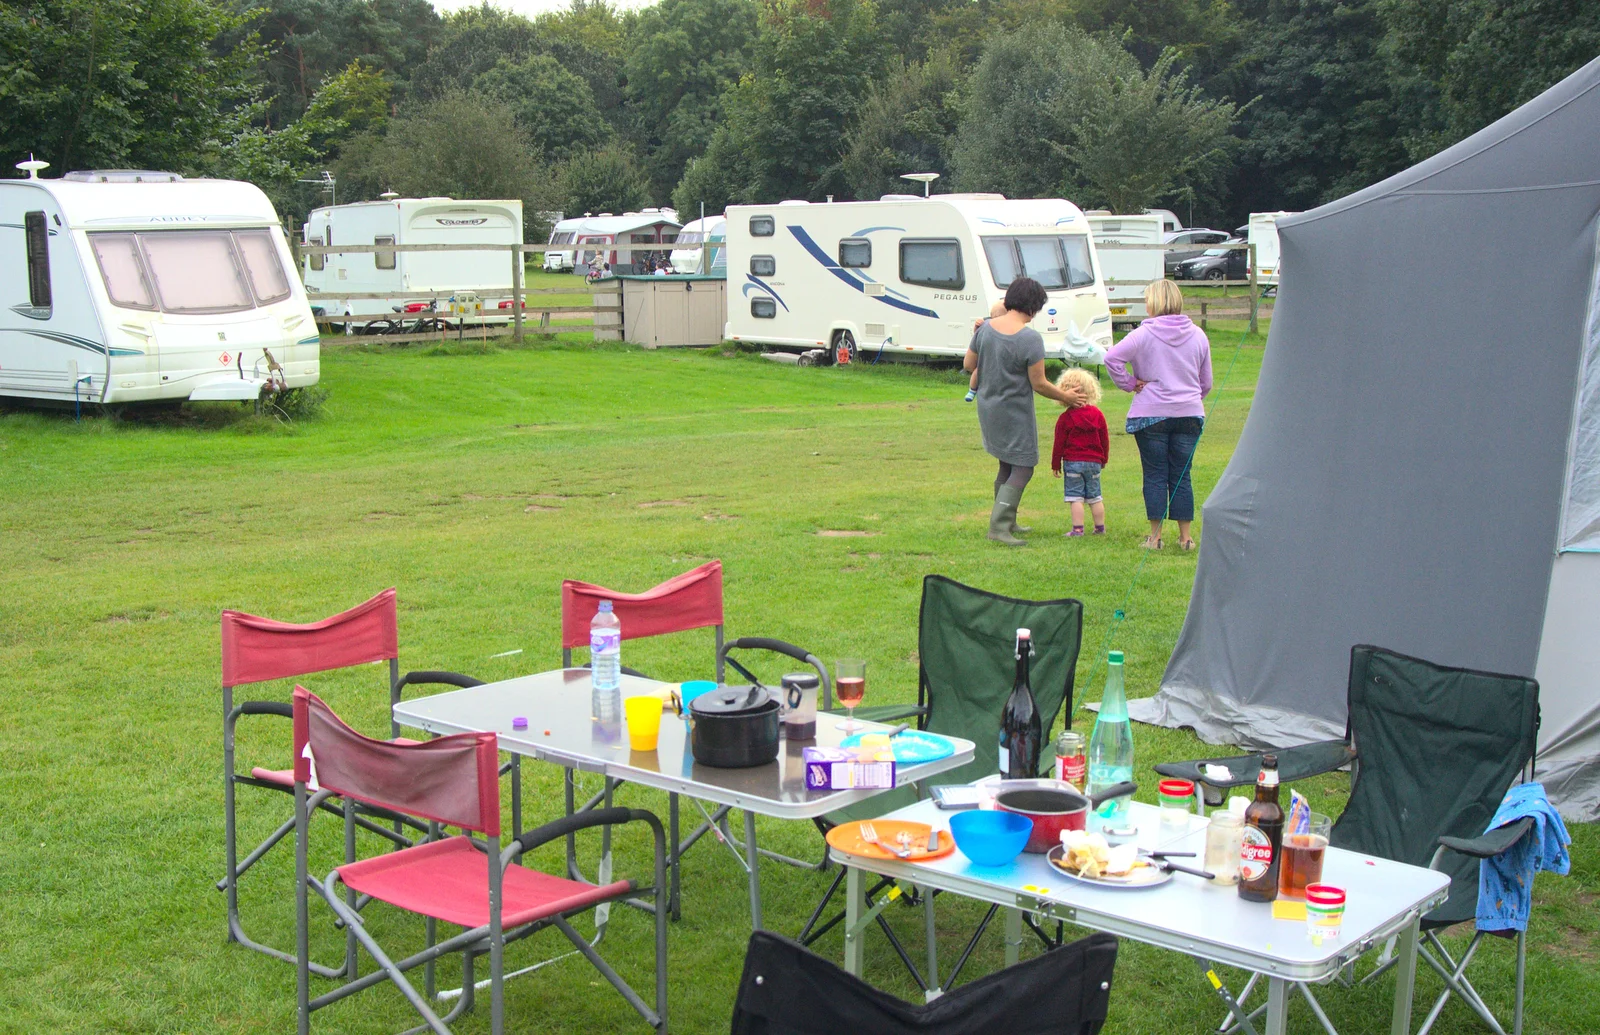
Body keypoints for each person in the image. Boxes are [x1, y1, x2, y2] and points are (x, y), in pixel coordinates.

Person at [964, 277, 1086, 545]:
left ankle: (1008, 520)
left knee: (1006, 463)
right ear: (1032, 307)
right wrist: (1066, 396)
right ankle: (998, 528)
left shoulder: (984, 329)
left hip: (988, 408)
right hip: (1014, 412)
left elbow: (969, 363)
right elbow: (1039, 383)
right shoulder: (1030, 338)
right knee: (1024, 466)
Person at [1104, 279, 1212, 551]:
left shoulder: (1143, 334)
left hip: (1150, 414)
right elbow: (1206, 382)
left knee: (1154, 474)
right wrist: (1188, 396)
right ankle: (1186, 538)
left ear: (1153, 304)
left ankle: (1155, 537)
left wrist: (1130, 383)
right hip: (1189, 413)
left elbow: (1111, 358)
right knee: (1182, 474)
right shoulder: (1198, 335)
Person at [1050, 367, 1109, 537]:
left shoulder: (1065, 418)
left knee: (1075, 496)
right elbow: (1104, 439)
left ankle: (1077, 529)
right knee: (1095, 496)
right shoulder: (1098, 415)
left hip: (1073, 462)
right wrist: (1103, 459)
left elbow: (1059, 443)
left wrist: (1055, 464)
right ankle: (1100, 528)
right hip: (1094, 462)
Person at [965, 300, 1008, 402]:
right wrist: (976, 327)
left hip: (1000, 359)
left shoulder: (1008, 328)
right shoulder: (986, 326)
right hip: (987, 357)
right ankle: (972, 390)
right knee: (977, 371)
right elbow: (978, 337)